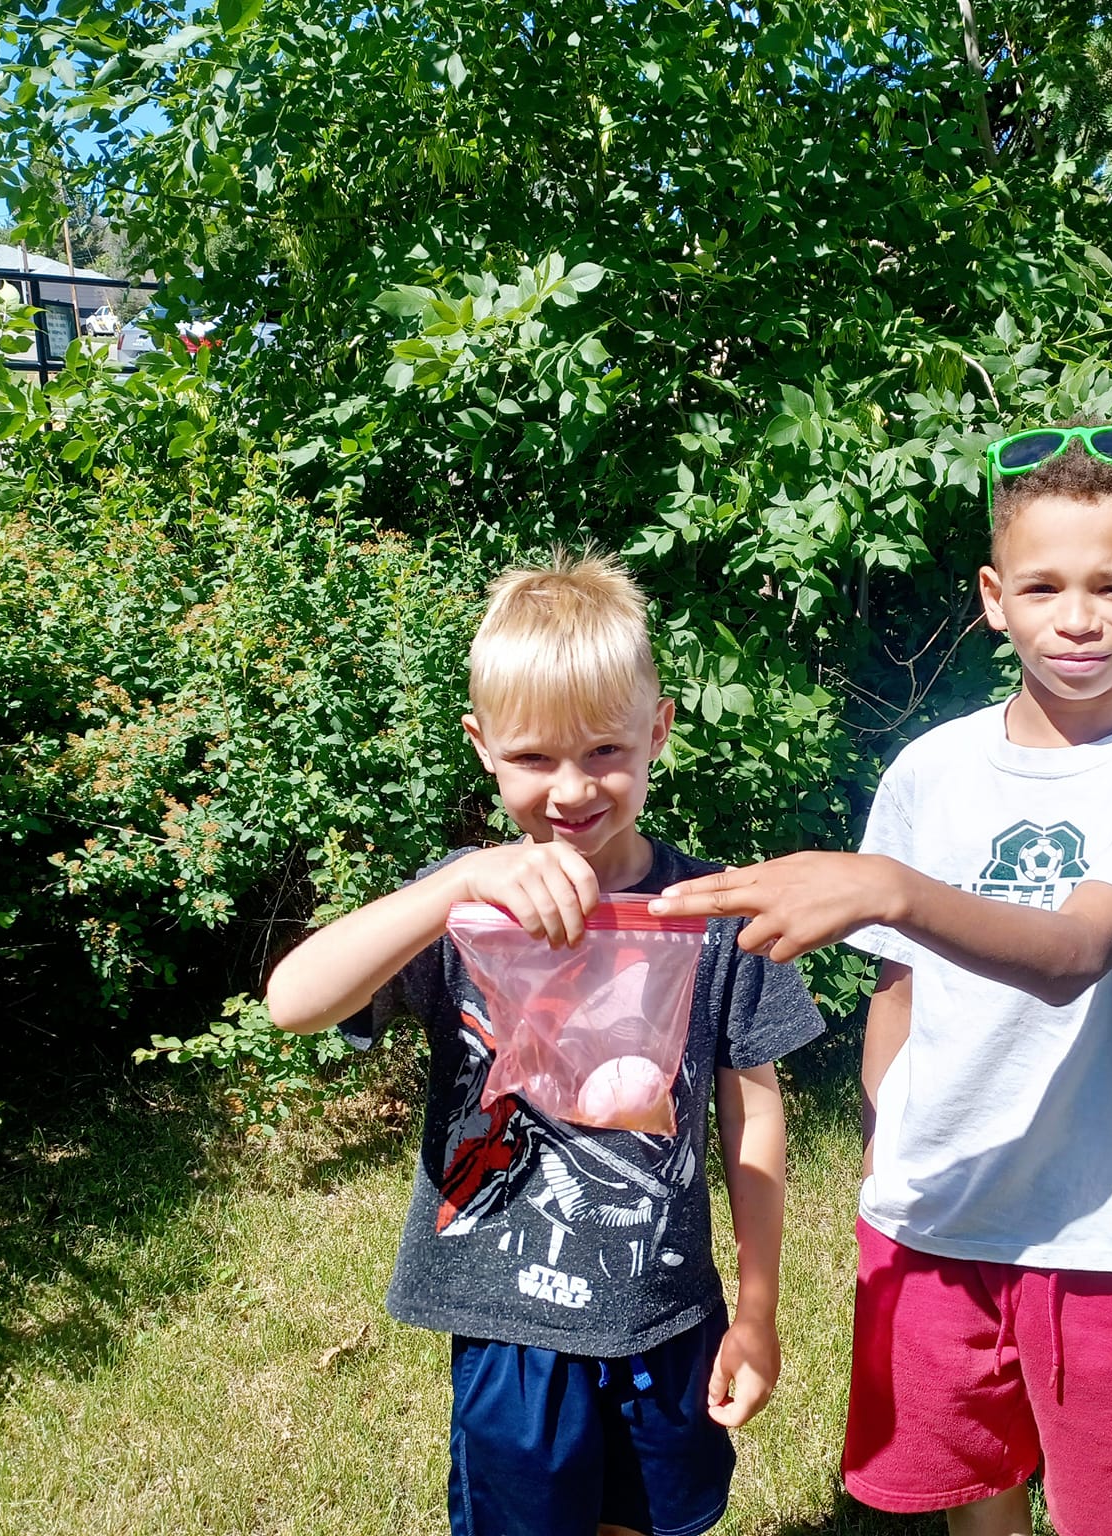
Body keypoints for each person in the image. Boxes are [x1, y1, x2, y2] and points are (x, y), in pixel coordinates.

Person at [652, 421, 1112, 1535]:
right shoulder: (931, 770)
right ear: (993, 597)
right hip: (934, 1211)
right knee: (968, 1493)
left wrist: (888, 885)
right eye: (1041, 586)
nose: (1076, 618)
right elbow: (898, 986)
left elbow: (1075, 954)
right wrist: (887, 1132)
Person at [266, 551, 824, 1536]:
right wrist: (452, 887)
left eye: (604, 750)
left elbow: (753, 1105)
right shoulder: (463, 904)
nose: (571, 790)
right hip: (507, 1326)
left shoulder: (712, 911)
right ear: (481, 747)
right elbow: (293, 1002)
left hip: (665, 1311)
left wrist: (759, 1304)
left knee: (649, 1520)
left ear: (658, 731)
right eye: (532, 758)